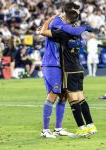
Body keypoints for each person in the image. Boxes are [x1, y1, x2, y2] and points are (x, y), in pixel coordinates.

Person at [39, 2, 95, 138]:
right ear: (67, 11)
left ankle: (58, 128)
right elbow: (43, 31)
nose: (76, 15)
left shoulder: (69, 23)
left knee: (63, 96)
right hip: (52, 63)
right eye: (75, 11)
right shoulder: (58, 22)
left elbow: (80, 39)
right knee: (53, 94)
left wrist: (80, 42)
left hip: (62, 65)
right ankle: (45, 130)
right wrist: (49, 19)